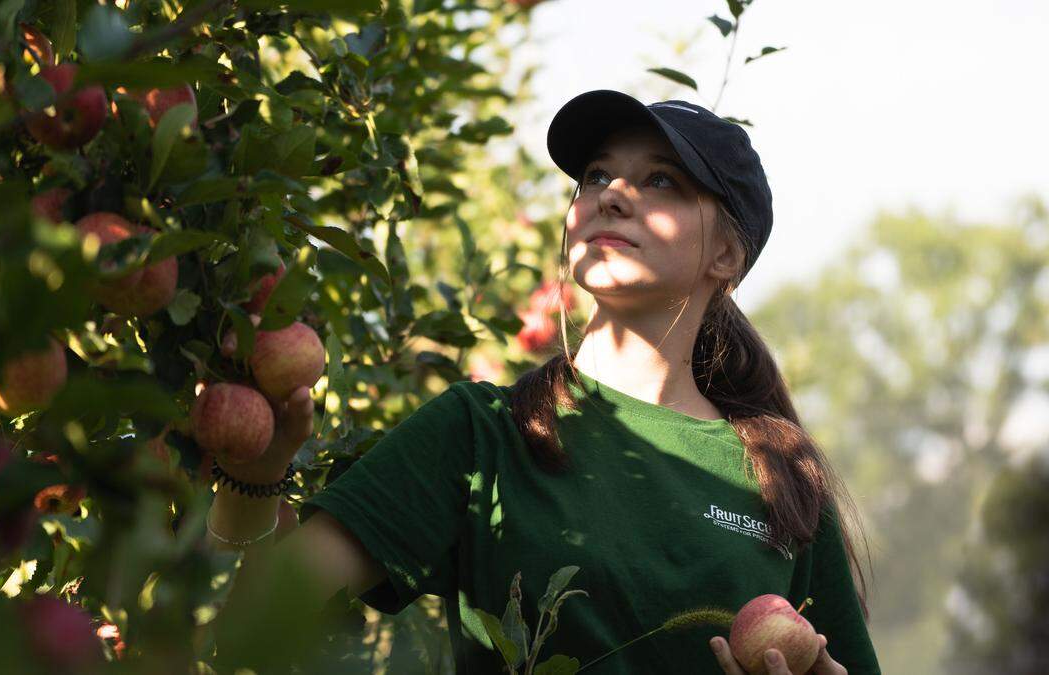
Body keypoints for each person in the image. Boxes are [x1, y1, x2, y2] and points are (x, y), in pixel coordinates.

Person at [204, 90, 882, 674]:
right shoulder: (482, 433)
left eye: (662, 181)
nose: (612, 194)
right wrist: (253, 484)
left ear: (726, 254)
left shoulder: (777, 473)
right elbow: (245, 638)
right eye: (595, 176)